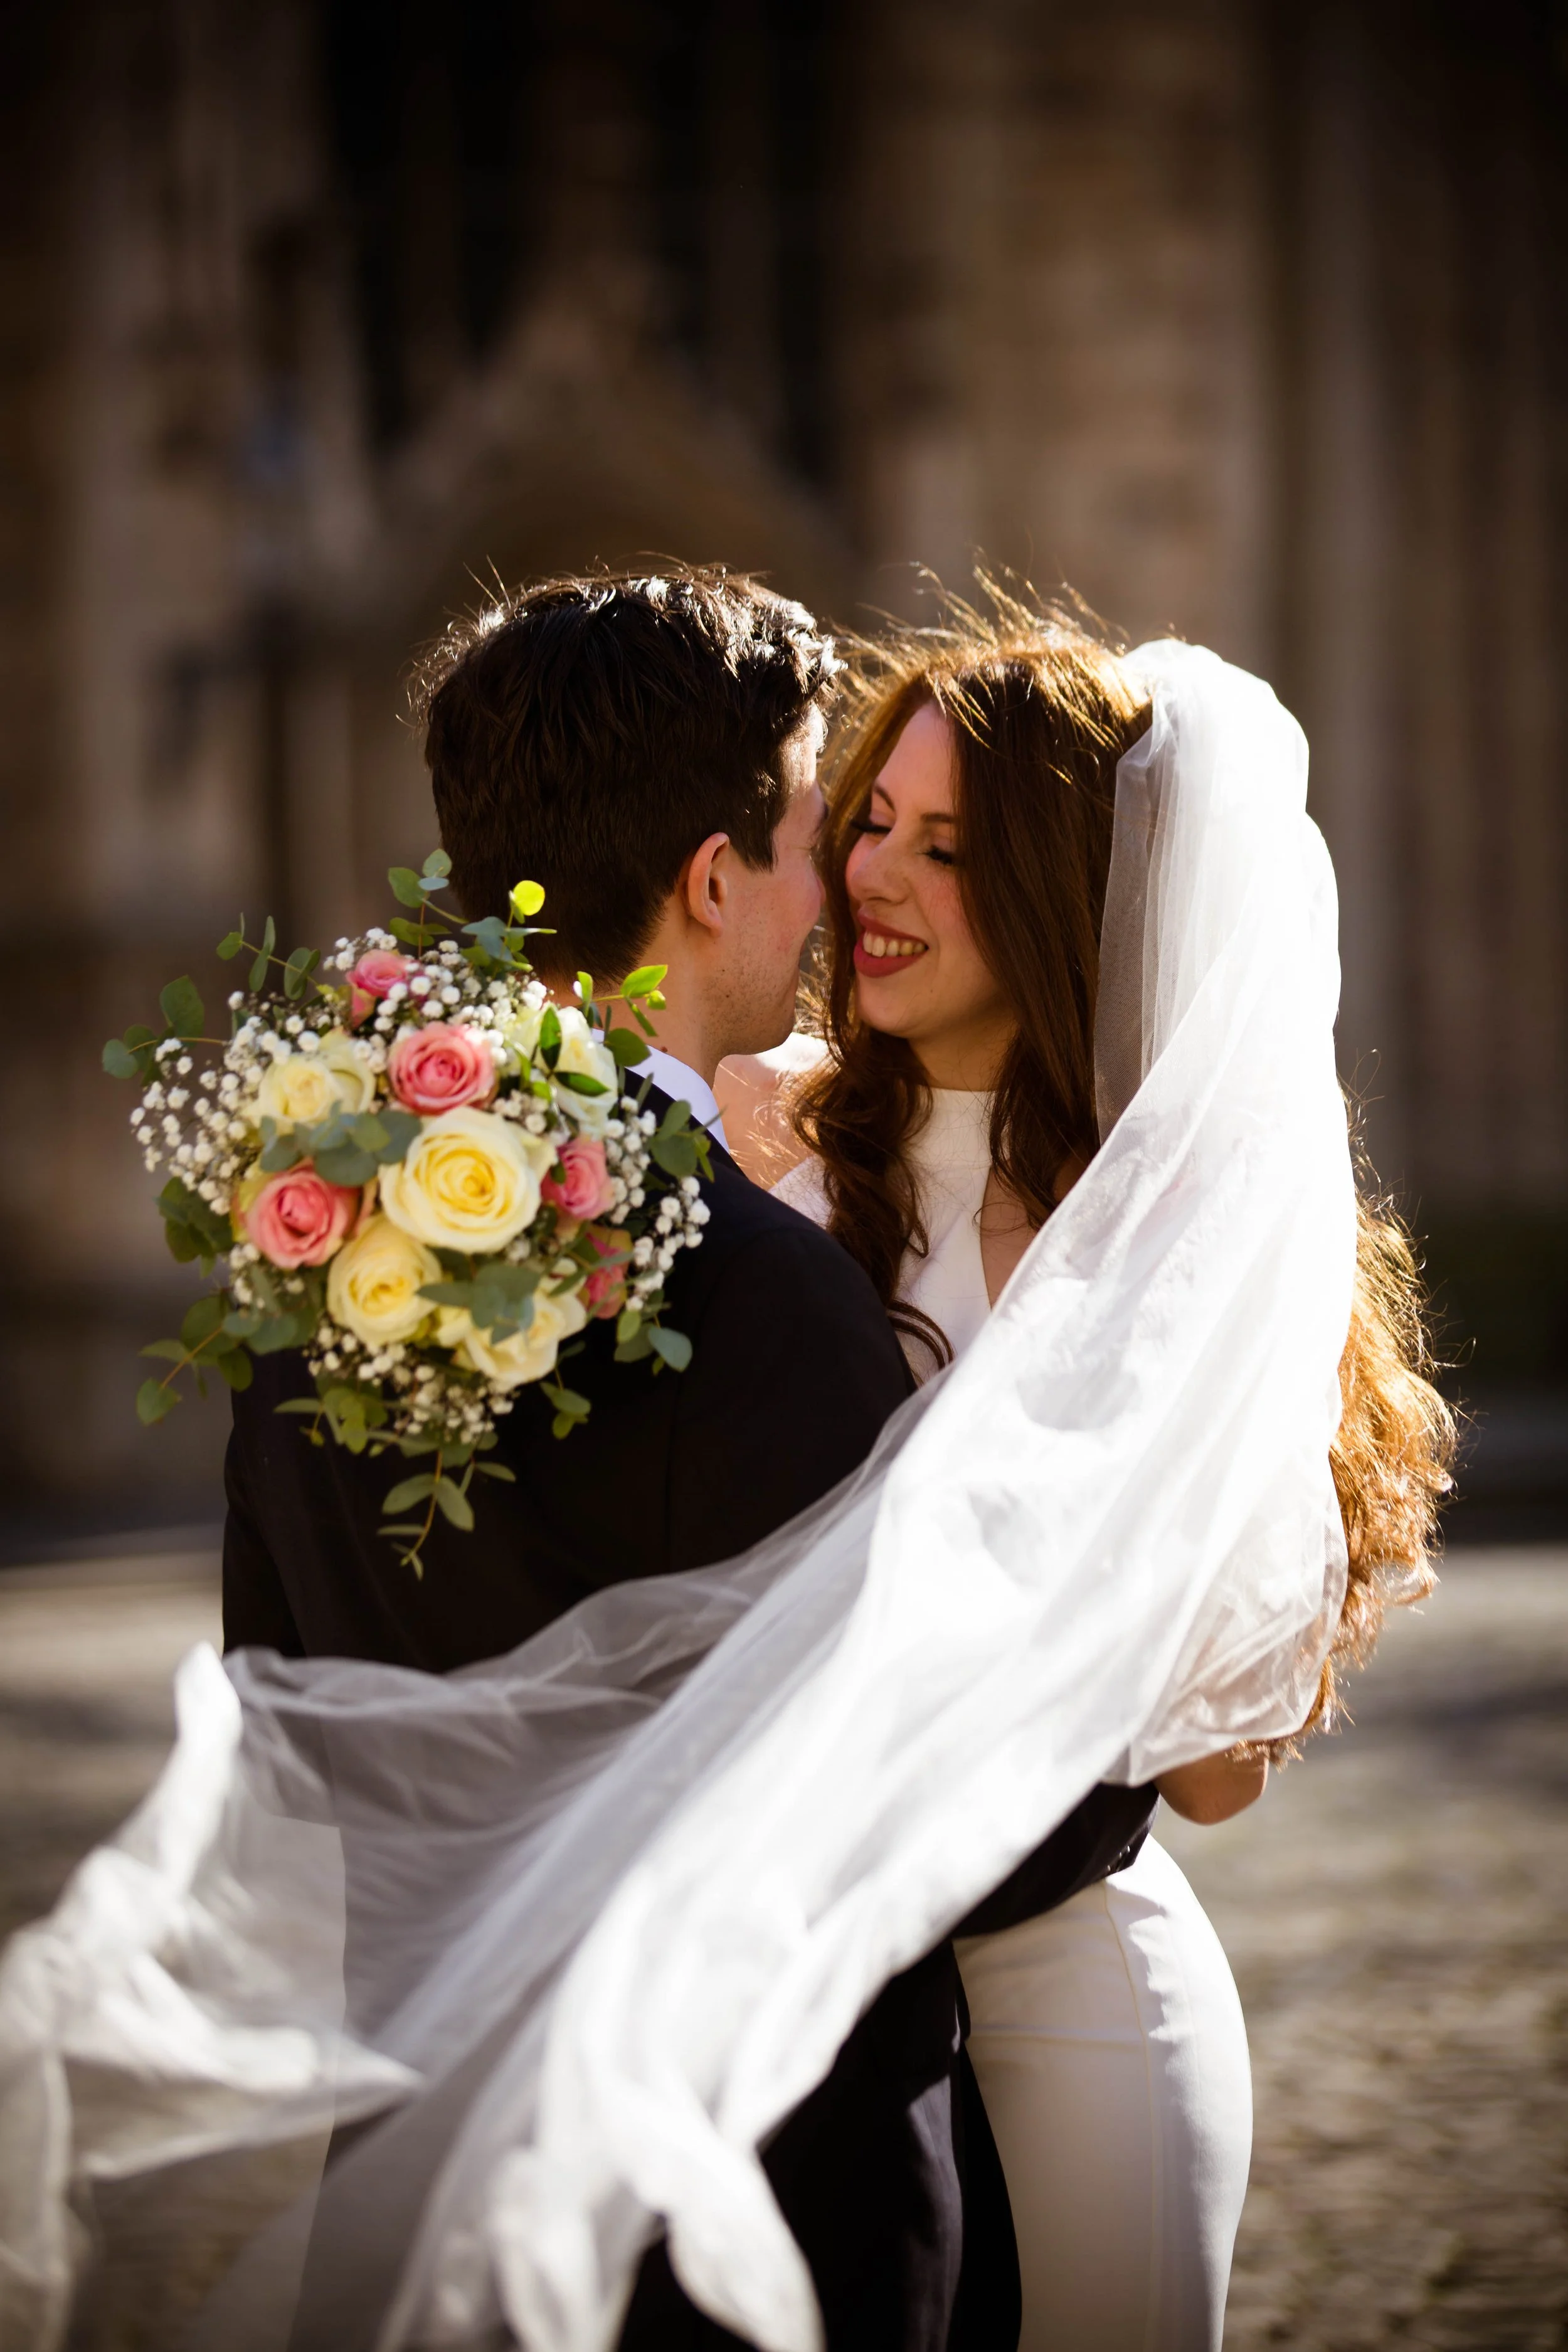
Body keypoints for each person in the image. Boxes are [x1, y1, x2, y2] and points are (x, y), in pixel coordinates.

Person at [0, 588, 1453, 2352]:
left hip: (436, 2117)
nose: (850, 883)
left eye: (934, 842)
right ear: (710, 880)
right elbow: (915, 1796)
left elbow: (287, 1699)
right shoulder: (771, 1285)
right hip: (763, 2165)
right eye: (826, 828)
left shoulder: (315, 1246)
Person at [718, 591, 1456, 2351]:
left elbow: (1206, 1781)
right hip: (779, 1997)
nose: (874, 879)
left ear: (1066, 897)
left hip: (1073, 1995)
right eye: (870, 824)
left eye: (949, 846)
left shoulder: (1182, 1251)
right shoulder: (775, 1164)